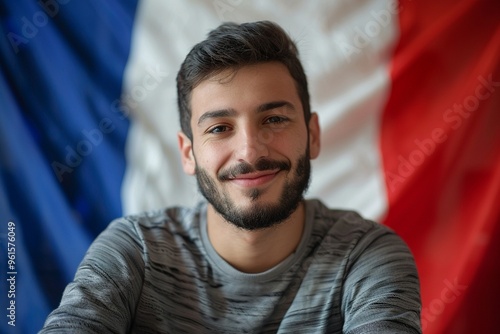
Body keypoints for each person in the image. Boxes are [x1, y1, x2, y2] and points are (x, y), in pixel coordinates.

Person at [40, 21, 422, 333]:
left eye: (274, 119)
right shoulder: (134, 251)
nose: (250, 151)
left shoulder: (368, 257)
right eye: (220, 128)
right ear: (188, 153)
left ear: (313, 135)